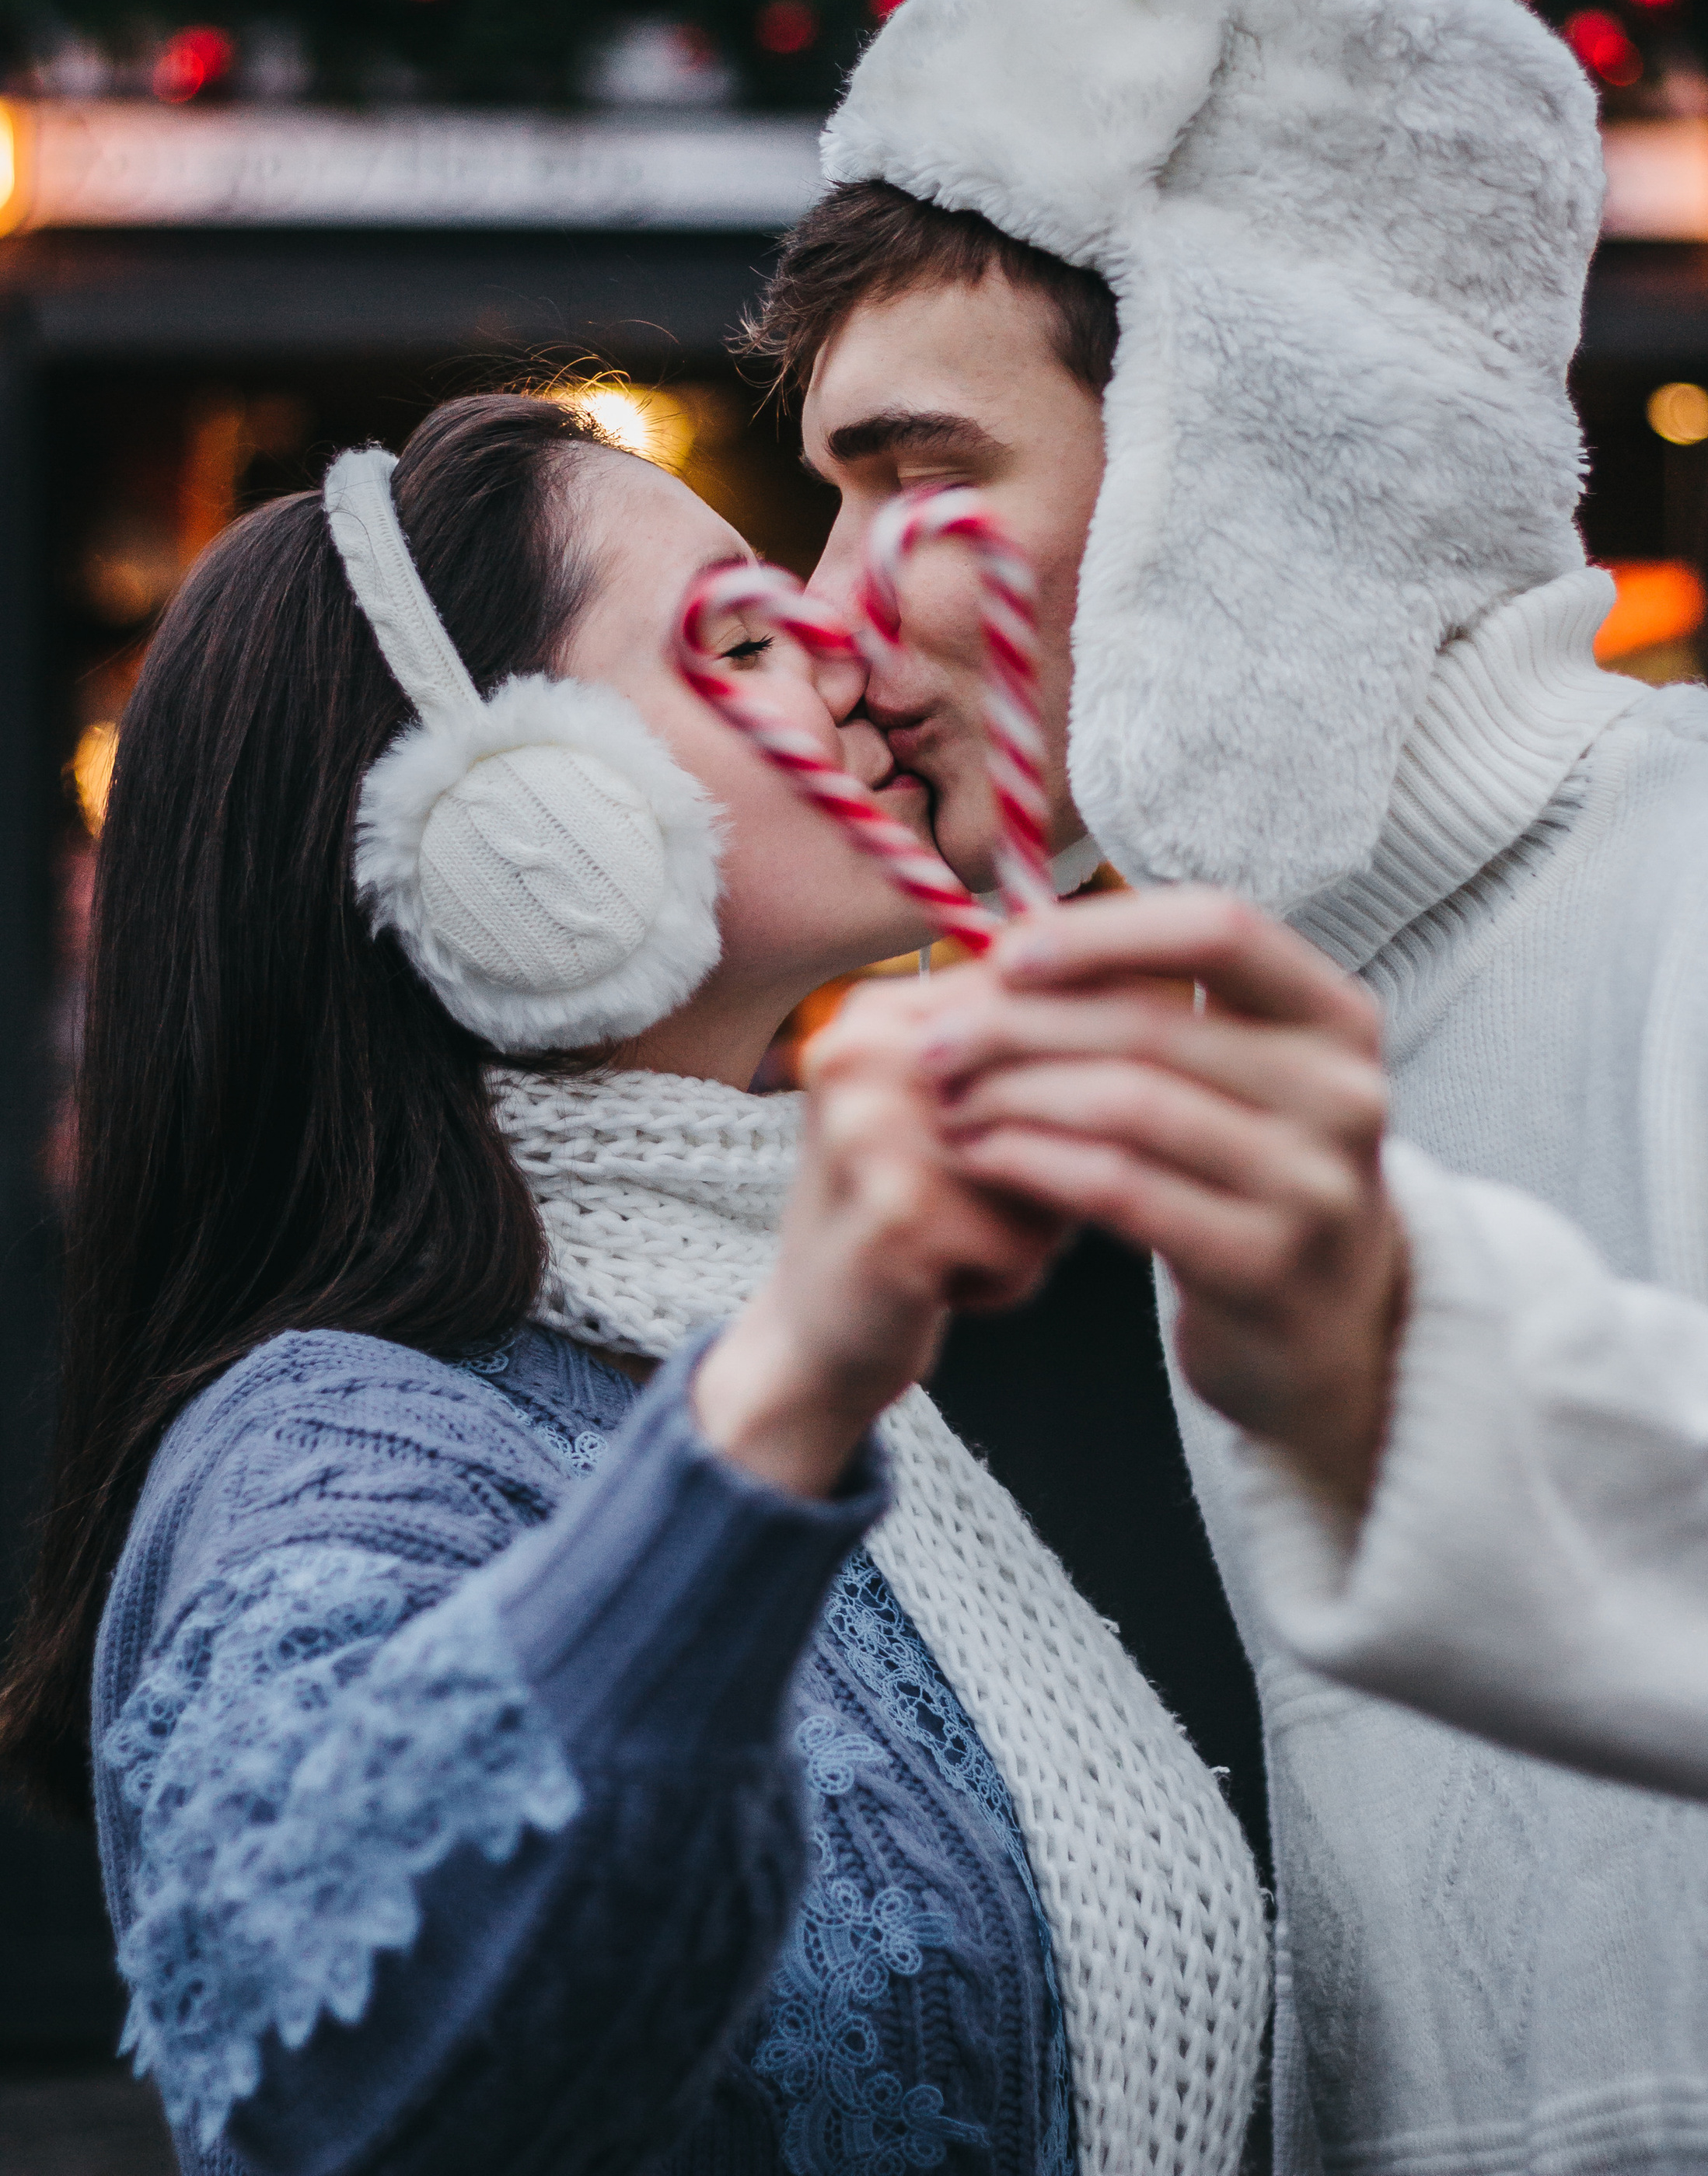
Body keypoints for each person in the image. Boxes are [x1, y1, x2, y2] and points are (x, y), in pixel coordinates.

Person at [744, 0, 1708, 2174]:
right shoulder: (1234, 995)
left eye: (919, 476)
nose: (830, 608)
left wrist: (1398, 1382)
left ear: (1248, 468)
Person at [0, 391, 1266, 2176]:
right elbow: (339, 2081)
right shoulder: (332, 1444)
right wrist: (779, 1407)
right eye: (737, 641)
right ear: (511, 831)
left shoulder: (733, 1347)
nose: (845, 651)